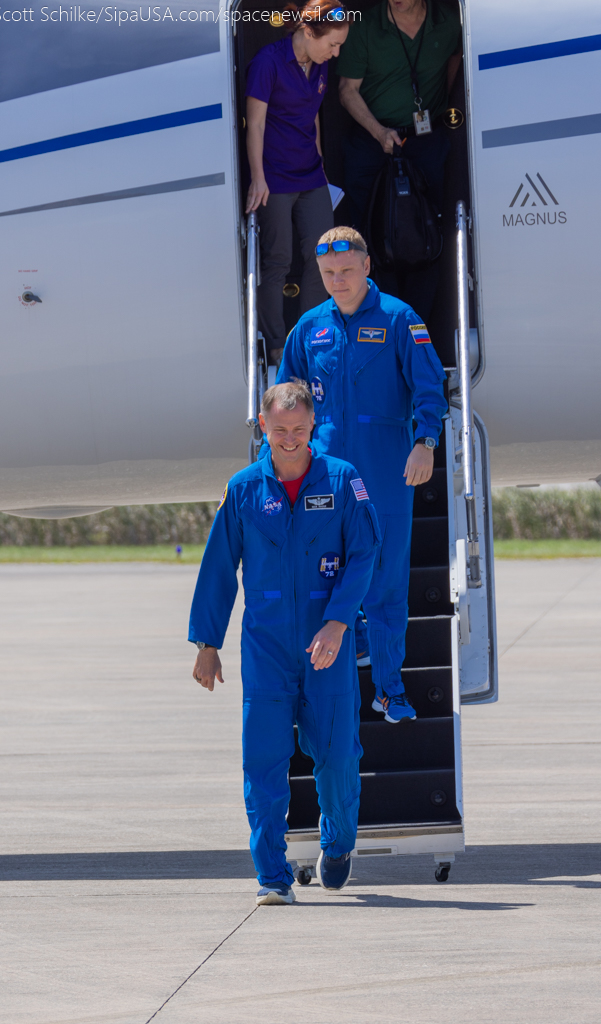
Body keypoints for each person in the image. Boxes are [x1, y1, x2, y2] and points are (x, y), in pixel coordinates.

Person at [189, 381, 380, 906]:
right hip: (267, 650)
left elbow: (365, 554)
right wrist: (208, 641)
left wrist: (339, 621)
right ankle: (272, 877)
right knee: (264, 765)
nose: (290, 439)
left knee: (338, 758)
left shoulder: (343, 482)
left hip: (328, 648)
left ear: (313, 425)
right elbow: (218, 569)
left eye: (298, 429)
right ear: (262, 426)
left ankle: (338, 845)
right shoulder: (245, 489)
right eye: (280, 430)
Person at [276, 226, 447, 722]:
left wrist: (425, 442)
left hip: (386, 474)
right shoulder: (308, 329)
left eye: (347, 270)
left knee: (388, 584)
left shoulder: (399, 320)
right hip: (324, 479)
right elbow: (286, 402)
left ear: (367, 266)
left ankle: (389, 689)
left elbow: (429, 389)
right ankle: (320, 688)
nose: (338, 280)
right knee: (322, 578)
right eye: (329, 273)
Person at [337, 0, 462, 319]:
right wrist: (380, 133)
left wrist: (442, 114)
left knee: (427, 234)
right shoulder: (365, 26)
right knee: (369, 240)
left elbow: (455, 60)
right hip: (371, 142)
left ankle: (418, 332)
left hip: (424, 141)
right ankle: (378, 331)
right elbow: (347, 90)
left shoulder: (448, 22)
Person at [245, 0, 351, 365]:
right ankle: (276, 344)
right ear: (308, 32)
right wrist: (257, 178)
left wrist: (320, 166)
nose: (335, 54)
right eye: (332, 45)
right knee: (277, 260)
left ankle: (311, 337)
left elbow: (313, 118)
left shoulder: (318, 66)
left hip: (310, 174)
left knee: (323, 255)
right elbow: (255, 124)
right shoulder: (268, 62)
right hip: (275, 177)